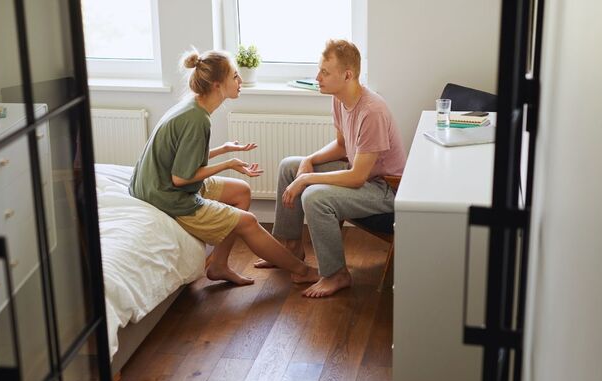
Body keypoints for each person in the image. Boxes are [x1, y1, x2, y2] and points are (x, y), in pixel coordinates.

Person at [129, 49, 320, 286]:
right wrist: (227, 163)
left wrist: (224, 149)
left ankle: (219, 265)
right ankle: (302, 271)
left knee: (241, 191)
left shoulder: (193, 106)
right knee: (247, 221)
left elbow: (182, 159)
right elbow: (180, 178)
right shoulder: (197, 119)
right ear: (218, 85)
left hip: (153, 183)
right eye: (235, 77)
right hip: (166, 194)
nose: (240, 82)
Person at [254, 40, 407, 298]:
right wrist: (309, 160)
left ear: (347, 75)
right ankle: (291, 248)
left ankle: (336, 274)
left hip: (387, 188)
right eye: (319, 70)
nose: (318, 78)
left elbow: (358, 177)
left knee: (314, 196)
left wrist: (308, 180)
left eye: (325, 72)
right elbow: (341, 146)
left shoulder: (372, 111)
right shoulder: (339, 99)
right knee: (290, 166)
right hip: (362, 174)